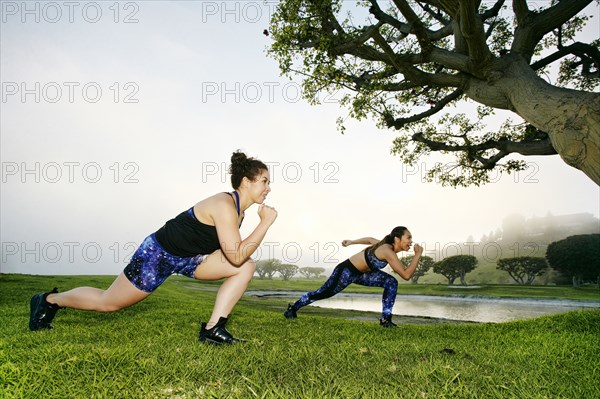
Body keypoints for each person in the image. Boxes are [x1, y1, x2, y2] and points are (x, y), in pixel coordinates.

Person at [29, 151, 278, 345]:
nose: (268, 188)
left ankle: (213, 329)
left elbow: (236, 256)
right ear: (246, 181)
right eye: (264, 181)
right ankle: (49, 301)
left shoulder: (239, 213)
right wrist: (265, 223)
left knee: (247, 266)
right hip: (157, 255)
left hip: (192, 260)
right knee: (109, 303)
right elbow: (235, 254)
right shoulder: (224, 204)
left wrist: (257, 225)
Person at [283, 226, 423, 327]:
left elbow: (369, 240)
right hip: (346, 271)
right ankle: (293, 308)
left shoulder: (383, 245)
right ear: (397, 238)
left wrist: (351, 242)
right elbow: (406, 275)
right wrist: (417, 255)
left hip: (363, 274)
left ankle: (386, 320)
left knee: (391, 282)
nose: (411, 241)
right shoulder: (387, 250)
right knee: (323, 293)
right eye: (408, 237)